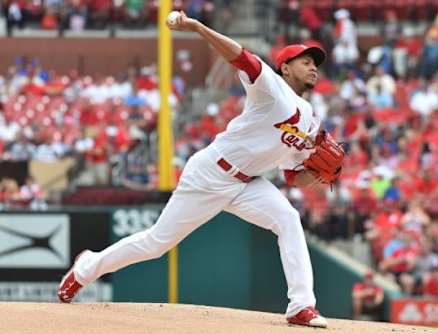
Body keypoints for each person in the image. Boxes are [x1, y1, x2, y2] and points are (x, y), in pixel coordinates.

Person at [57, 11, 344, 328]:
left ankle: (301, 306)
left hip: (248, 184)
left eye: (315, 62)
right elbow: (240, 57)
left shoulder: (310, 120)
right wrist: (196, 26)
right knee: (157, 244)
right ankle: (86, 268)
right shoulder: (271, 86)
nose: (313, 66)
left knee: (289, 219)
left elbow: (293, 176)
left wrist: (319, 173)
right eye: (305, 61)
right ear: (286, 68)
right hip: (211, 173)